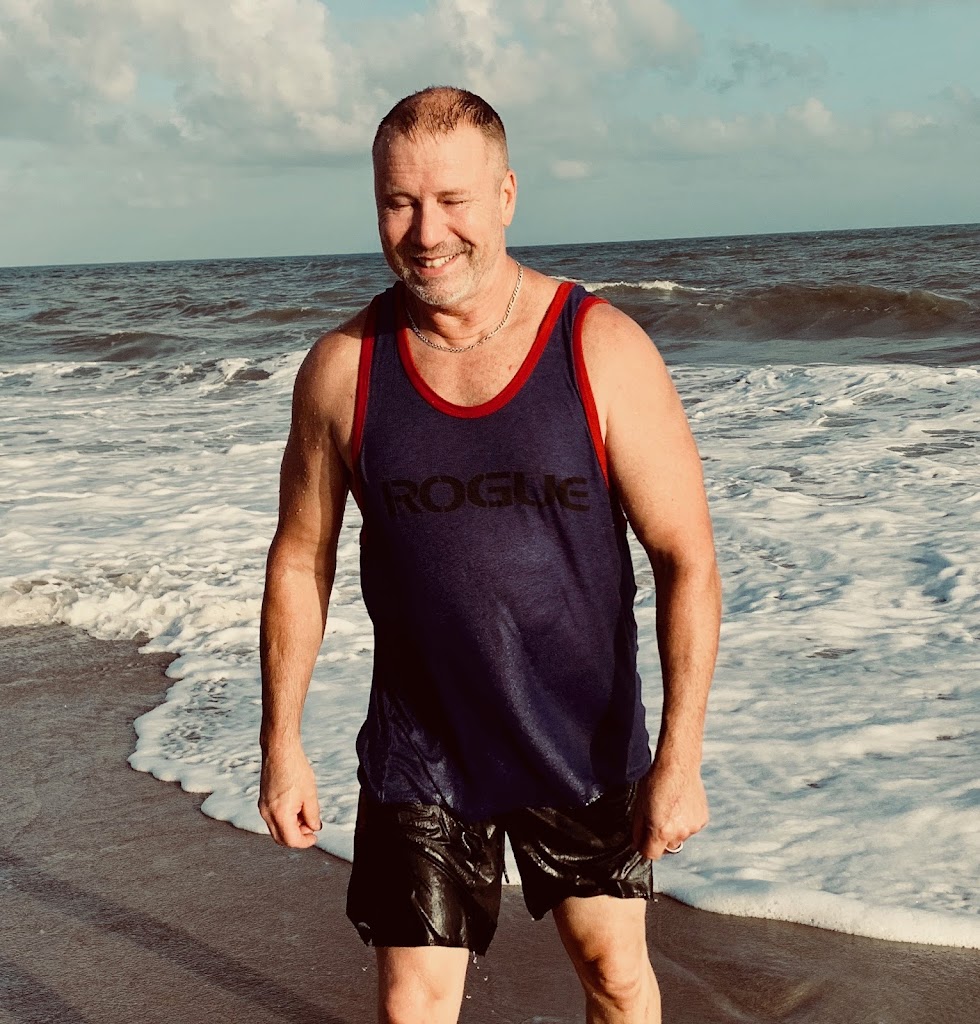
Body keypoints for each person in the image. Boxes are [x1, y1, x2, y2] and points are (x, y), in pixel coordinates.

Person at [258, 86, 721, 1024]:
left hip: (578, 735)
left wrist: (680, 757)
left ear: (506, 195)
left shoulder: (600, 349)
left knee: (613, 974)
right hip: (422, 745)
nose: (426, 232)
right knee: (412, 1003)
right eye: (399, 202)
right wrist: (281, 741)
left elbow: (687, 561)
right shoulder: (344, 368)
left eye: (452, 200)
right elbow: (300, 560)